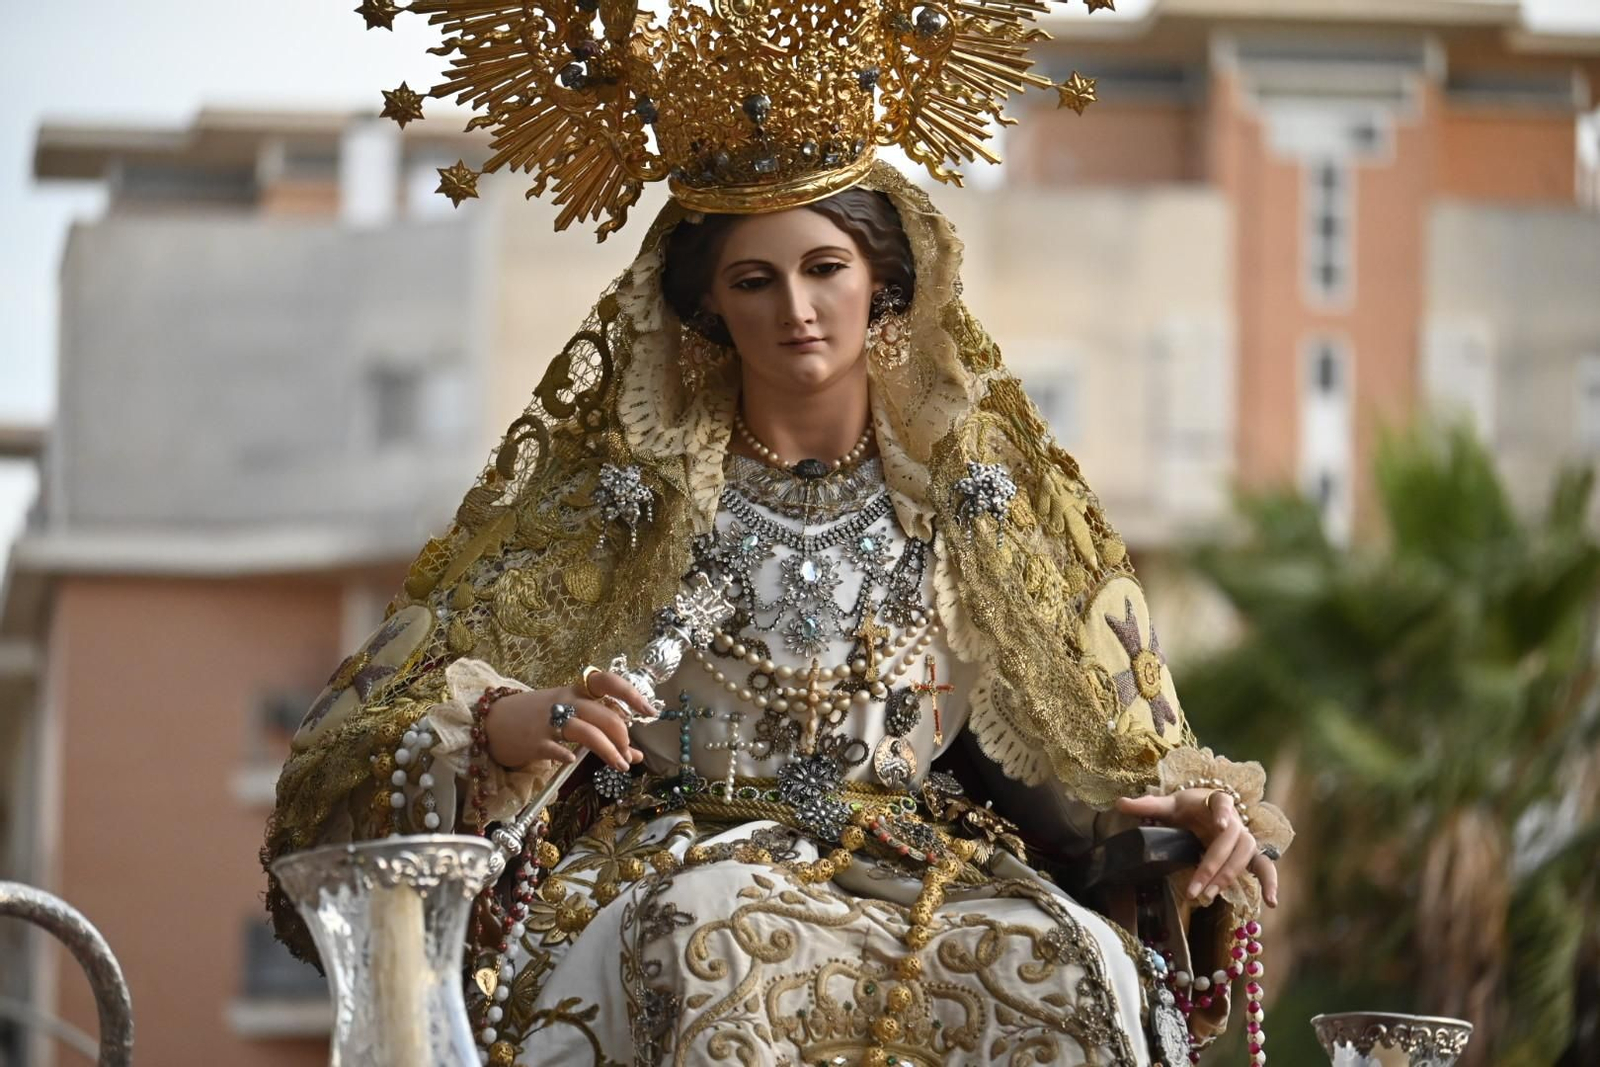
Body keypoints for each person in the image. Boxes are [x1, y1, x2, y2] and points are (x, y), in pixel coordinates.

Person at [264, 4, 1292, 1065]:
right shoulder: (624, 505)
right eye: (754, 280)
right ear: (709, 308)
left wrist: (1191, 815)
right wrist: (511, 723)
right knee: (716, 941)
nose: (796, 308)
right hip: (677, 863)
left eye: (824, 269)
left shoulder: (969, 512)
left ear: (883, 282)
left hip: (924, 867)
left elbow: (1072, 756)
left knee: (1059, 960)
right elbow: (364, 745)